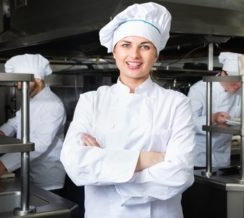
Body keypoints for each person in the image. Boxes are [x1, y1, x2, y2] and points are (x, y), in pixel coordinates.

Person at [60, 2, 195, 218]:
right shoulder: (91, 101)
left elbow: (181, 174)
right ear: (114, 51)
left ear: (156, 54)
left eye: (145, 46)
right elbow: (75, 165)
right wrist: (149, 159)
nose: (134, 55)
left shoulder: (176, 103)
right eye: (125, 45)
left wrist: (106, 165)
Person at [0, 54, 67, 192]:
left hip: (46, 176)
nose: (17, 85)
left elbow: (40, 144)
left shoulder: (53, 104)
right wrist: (0, 132)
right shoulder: (31, 100)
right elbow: (16, 121)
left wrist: (3, 163)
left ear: (37, 79)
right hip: (26, 169)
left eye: (21, 81)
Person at [188, 52, 244, 168]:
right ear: (223, 73)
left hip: (223, 158)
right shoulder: (199, 89)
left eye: (242, 81)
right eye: (235, 80)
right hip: (198, 158)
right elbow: (188, 123)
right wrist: (213, 118)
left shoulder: (240, 89)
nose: (238, 85)